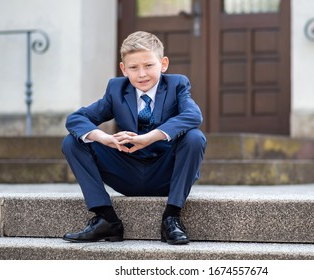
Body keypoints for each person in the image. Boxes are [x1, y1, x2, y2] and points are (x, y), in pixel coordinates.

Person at [61, 31, 206, 245]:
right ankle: (106, 219)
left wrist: (149, 137)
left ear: (163, 64)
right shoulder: (116, 89)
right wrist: (105, 138)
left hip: (165, 173)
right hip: (126, 170)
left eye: (149, 65)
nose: (142, 74)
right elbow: (76, 119)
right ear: (123, 69)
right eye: (133, 68)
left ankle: (171, 218)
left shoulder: (177, 85)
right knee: (72, 141)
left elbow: (193, 115)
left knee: (195, 138)